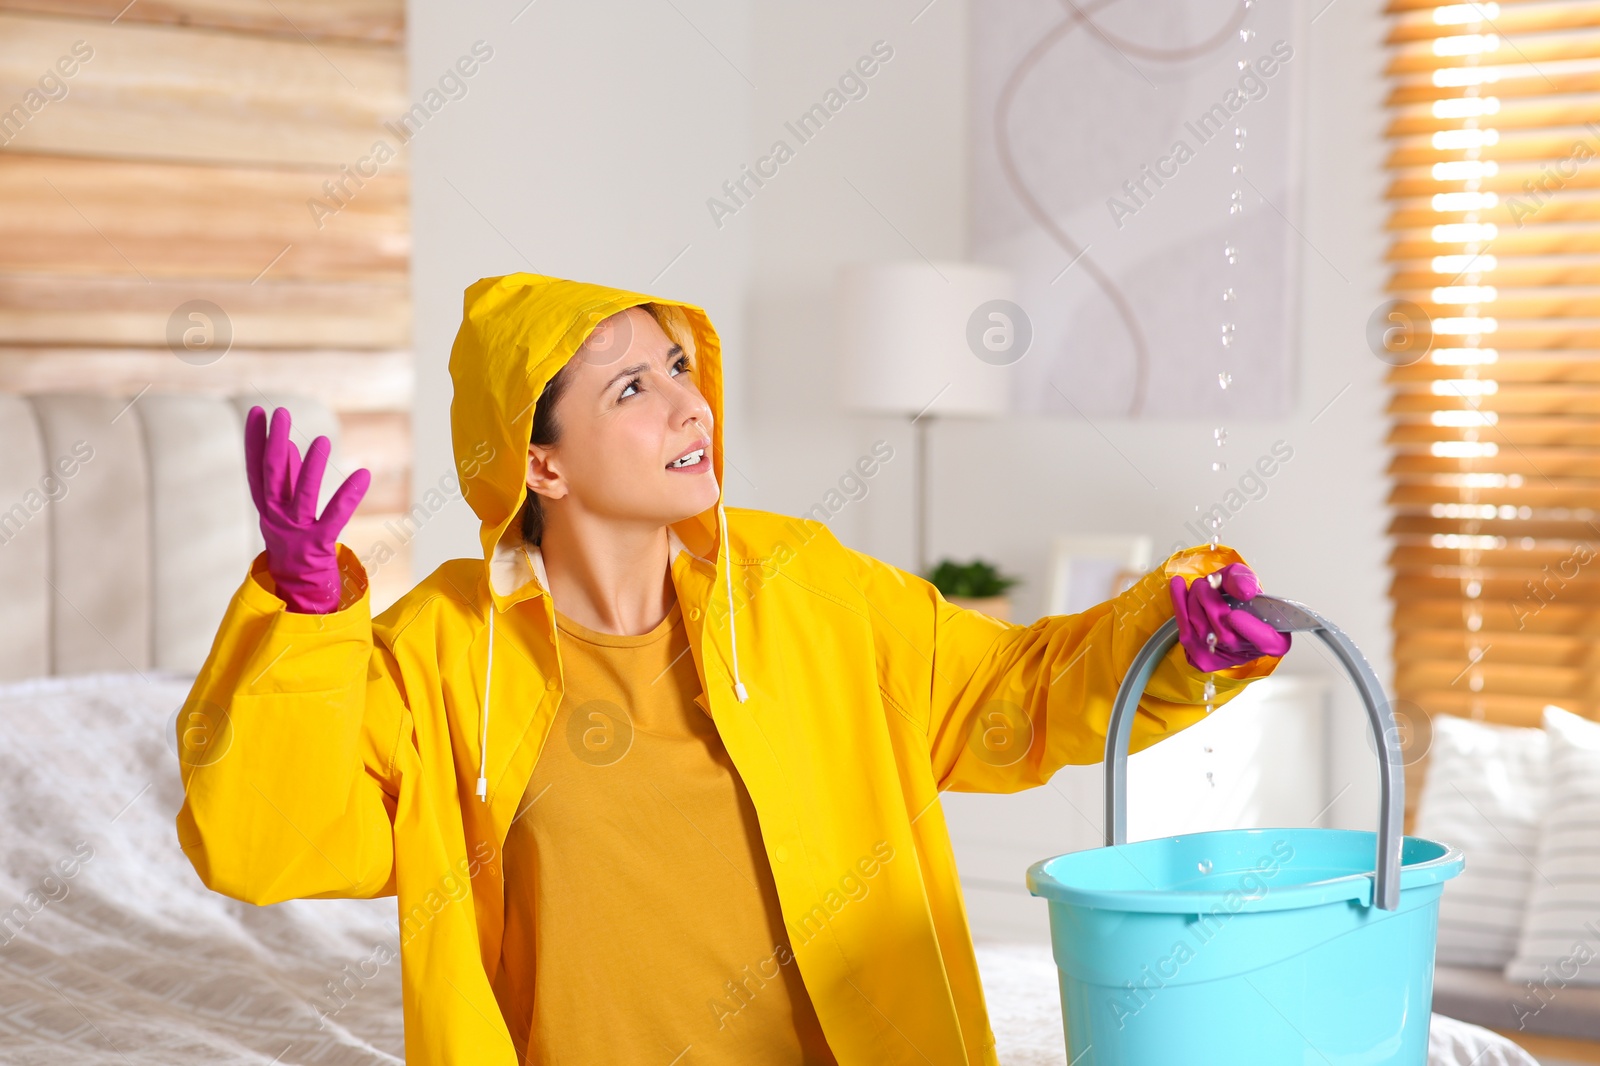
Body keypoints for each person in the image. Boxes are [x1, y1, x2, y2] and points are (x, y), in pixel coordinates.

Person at [174, 272, 1290, 1066]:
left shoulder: (802, 582)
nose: (688, 402)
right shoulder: (441, 648)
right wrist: (302, 618)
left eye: (676, 366)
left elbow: (1014, 695)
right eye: (631, 391)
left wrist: (1175, 640)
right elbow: (270, 840)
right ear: (540, 464)